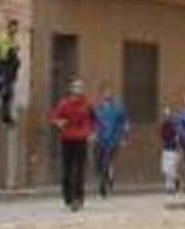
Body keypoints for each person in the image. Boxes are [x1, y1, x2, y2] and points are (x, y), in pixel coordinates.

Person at [49, 78, 95, 211]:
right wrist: (58, 122)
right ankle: (68, 197)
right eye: (75, 87)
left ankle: (78, 198)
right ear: (71, 89)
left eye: (80, 87)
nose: (78, 89)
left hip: (81, 139)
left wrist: (91, 132)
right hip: (67, 139)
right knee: (67, 170)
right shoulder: (64, 103)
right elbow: (54, 117)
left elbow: (93, 119)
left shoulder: (87, 104)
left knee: (79, 170)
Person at [91, 85, 128, 199]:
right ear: (102, 95)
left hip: (113, 140)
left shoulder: (118, 108)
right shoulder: (98, 109)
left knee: (105, 163)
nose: (107, 94)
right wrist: (92, 134)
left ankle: (102, 189)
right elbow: (93, 123)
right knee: (97, 163)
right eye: (105, 92)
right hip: (99, 140)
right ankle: (108, 178)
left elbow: (125, 124)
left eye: (109, 92)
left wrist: (123, 138)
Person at [0, 19, 20, 125]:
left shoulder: (13, 39)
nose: (15, 29)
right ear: (9, 27)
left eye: (16, 27)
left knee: (8, 93)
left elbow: (15, 52)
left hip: (9, 68)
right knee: (5, 90)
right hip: (2, 65)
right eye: (13, 27)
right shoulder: (3, 37)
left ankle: (6, 116)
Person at [159, 104, 180, 195]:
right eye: (165, 114)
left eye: (168, 113)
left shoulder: (174, 124)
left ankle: (171, 186)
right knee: (165, 169)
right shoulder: (163, 125)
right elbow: (162, 136)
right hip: (166, 148)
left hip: (173, 149)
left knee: (171, 169)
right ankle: (170, 185)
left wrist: (177, 146)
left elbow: (177, 136)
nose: (166, 115)